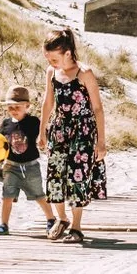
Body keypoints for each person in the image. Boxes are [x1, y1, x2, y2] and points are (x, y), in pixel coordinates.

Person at [39, 29, 107, 244]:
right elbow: (48, 103)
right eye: (48, 58)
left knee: (78, 176)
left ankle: (76, 227)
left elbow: (97, 108)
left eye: (54, 58)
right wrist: (42, 132)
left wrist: (101, 141)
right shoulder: (52, 72)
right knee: (55, 174)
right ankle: (62, 219)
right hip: (59, 130)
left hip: (83, 131)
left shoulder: (84, 73)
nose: (51, 62)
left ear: (68, 53)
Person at [0, 85, 56, 238]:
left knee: (39, 195)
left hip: (31, 166)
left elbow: (45, 136)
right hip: (10, 166)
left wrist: (45, 142)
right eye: (10, 107)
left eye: (17, 107)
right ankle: (4, 224)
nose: (14, 110)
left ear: (27, 106)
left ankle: (51, 219)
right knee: (7, 195)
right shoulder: (6, 124)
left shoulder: (34, 122)